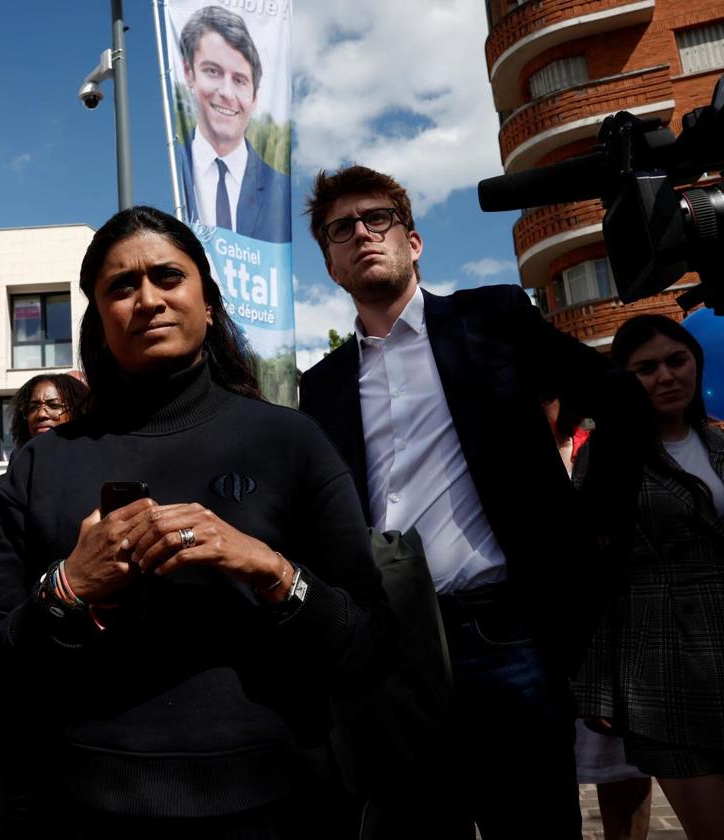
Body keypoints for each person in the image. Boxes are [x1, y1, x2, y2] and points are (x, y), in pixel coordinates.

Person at [0, 205, 388, 837]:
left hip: (280, 807)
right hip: (84, 811)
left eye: (168, 277)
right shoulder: (39, 468)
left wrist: (269, 569)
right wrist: (69, 587)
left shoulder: (290, 441)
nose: (147, 300)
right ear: (99, 320)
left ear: (209, 302)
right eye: (121, 286)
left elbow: (369, 647)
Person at [298, 165, 650, 838]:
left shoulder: (493, 318)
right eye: (342, 230)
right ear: (332, 265)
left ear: (414, 241)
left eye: (378, 219)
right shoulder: (324, 386)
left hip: (507, 636)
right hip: (392, 655)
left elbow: (621, 400)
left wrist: (595, 528)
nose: (363, 234)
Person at [575, 314, 724, 840]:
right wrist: (597, 689)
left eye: (676, 361)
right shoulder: (606, 457)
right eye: (646, 368)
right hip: (661, 667)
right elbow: (594, 577)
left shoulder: (720, 445)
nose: (665, 376)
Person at [0, 371, 89, 835]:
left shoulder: (91, 468)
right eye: (34, 406)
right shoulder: (6, 485)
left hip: (77, 658)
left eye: (55, 404)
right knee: (22, 798)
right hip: (18, 651)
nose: (42, 412)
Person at [545, 397, 653, 840]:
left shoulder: (600, 447)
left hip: (609, 637)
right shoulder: (495, 450)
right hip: (536, 642)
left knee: (624, 769)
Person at [175, 5, 290, 243]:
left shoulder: (279, 189)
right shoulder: (172, 167)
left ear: (255, 97)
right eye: (213, 71)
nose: (227, 92)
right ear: (188, 73)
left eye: (240, 80)